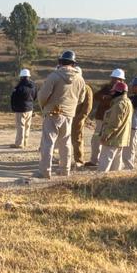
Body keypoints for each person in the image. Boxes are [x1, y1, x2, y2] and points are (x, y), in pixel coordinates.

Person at [36, 50, 87, 179]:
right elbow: (81, 99)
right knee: (65, 142)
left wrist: (44, 106)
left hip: (53, 112)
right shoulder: (80, 79)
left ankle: (45, 171)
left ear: (60, 62)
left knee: (48, 142)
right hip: (69, 114)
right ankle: (65, 170)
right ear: (73, 63)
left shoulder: (54, 76)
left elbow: (43, 95)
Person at [85, 71, 122, 167]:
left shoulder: (122, 90)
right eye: (113, 78)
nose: (113, 80)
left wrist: (108, 98)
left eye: (115, 78)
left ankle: (107, 164)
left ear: (121, 80)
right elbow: (96, 96)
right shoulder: (107, 88)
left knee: (109, 143)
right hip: (101, 119)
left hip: (111, 121)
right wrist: (105, 97)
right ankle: (94, 161)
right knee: (96, 140)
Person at [97, 80, 133, 172]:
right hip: (120, 139)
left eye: (113, 92)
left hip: (112, 140)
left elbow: (114, 124)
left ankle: (100, 182)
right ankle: (112, 184)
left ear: (118, 92)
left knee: (104, 165)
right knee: (115, 167)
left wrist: (105, 136)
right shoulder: (128, 102)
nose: (112, 93)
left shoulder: (119, 105)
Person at [10, 68, 36, 148]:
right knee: (27, 126)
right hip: (30, 108)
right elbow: (35, 96)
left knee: (20, 126)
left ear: (21, 77)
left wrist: (14, 107)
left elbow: (13, 98)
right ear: (28, 76)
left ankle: (19, 144)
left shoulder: (19, 86)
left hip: (20, 109)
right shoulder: (33, 86)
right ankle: (25, 142)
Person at [71, 78, 93, 167]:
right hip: (68, 117)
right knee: (65, 140)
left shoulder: (86, 88)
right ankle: (65, 158)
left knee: (77, 139)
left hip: (77, 118)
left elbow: (88, 106)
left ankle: (79, 160)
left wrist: (80, 118)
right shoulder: (72, 86)